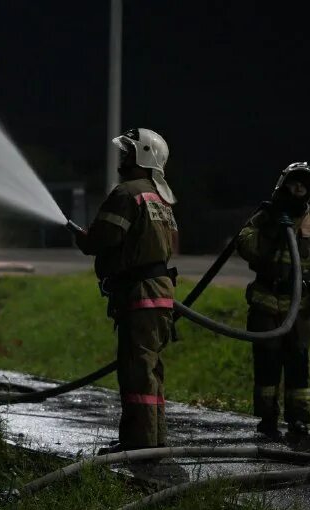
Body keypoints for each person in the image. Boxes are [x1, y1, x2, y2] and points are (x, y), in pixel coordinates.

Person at [72, 128, 178, 454]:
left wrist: (83, 238)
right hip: (160, 293)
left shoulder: (126, 193)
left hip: (139, 294)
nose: (123, 157)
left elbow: (101, 240)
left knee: (136, 370)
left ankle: (139, 445)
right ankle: (153, 439)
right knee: (149, 368)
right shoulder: (160, 198)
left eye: (128, 151)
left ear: (143, 155)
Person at [236, 162, 310, 441]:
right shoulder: (265, 216)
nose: (298, 189)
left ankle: (298, 420)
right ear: (283, 185)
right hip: (265, 302)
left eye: (303, 185)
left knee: (298, 364)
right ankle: (267, 419)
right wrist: (272, 229)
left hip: (300, 306)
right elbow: (244, 245)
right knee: (267, 362)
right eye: (293, 183)